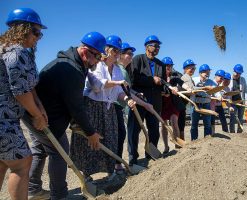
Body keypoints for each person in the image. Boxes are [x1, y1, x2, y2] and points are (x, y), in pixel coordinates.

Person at [21, 31, 106, 199]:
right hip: (43, 118)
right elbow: (76, 107)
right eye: (96, 57)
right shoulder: (72, 70)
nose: (97, 62)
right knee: (60, 154)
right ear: (84, 52)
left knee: (40, 149)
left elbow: (66, 98)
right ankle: (59, 196)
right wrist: (91, 133)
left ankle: (33, 189)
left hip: (35, 113)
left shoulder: (70, 63)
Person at [70, 35, 153, 179]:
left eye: (118, 52)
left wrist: (127, 99)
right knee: (89, 142)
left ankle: (111, 172)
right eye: (114, 51)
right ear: (106, 50)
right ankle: (86, 176)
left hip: (108, 109)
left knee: (110, 139)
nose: (117, 54)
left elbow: (119, 92)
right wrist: (117, 83)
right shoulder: (97, 64)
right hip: (92, 107)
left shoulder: (117, 70)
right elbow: (97, 86)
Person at [0, 8, 48, 200]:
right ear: (22, 29)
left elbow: (30, 86)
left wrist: (40, 108)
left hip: (7, 118)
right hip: (5, 119)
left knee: (3, 162)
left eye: (40, 33)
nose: (38, 37)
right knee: (21, 163)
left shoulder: (6, 49)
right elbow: (20, 92)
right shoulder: (16, 52)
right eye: (35, 32)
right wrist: (36, 115)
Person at [127, 35, 170, 165]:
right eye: (154, 45)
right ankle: (133, 158)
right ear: (147, 46)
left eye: (158, 46)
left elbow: (161, 82)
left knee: (154, 131)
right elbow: (133, 79)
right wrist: (152, 80)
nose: (157, 48)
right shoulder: (138, 59)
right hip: (139, 100)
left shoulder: (161, 64)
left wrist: (166, 90)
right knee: (134, 130)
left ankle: (150, 155)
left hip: (155, 102)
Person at [113, 42, 136, 174]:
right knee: (119, 134)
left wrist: (135, 94)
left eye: (132, 54)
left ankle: (117, 164)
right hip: (114, 105)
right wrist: (131, 97)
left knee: (120, 134)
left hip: (119, 105)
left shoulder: (122, 71)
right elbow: (124, 91)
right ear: (120, 55)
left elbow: (128, 90)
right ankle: (116, 165)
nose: (131, 56)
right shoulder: (120, 70)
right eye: (128, 53)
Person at [160, 57, 185, 153]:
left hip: (173, 103)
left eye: (170, 66)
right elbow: (155, 90)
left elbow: (182, 84)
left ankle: (177, 145)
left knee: (174, 123)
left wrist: (183, 88)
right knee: (164, 125)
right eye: (167, 66)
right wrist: (163, 93)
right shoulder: (159, 77)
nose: (169, 67)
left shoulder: (175, 76)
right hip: (162, 104)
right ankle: (166, 147)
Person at [190, 64, 216, 140]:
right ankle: (194, 141)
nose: (207, 73)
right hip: (195, 104)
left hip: (206, 105)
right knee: (194, 124)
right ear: (200, 73)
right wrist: (203, 87)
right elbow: (191, 88)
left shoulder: (211, 82)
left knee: (207, 124)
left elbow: (216, 90)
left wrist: (219, 96)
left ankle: (207, 142)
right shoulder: (194, 80)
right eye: (205, 72)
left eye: (208, 72)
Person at [179, 59, 197, 138]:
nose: (193, 70)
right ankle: (180, 143)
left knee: (181, 123)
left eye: (194, 69)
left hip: (184, 103)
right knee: (181, 123)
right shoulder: (186, 77)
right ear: (185, 69)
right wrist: (205, 88)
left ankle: (181, 143)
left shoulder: (189, 78)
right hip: (181, 103)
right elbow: (191, 90)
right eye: (191, 68)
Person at [229, 64, 247, 133]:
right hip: (232, 102)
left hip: (241, 102)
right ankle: (232, 132)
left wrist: (246, 100)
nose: (238, 74)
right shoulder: (229, 79)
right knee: (232, 118)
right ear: (233, 71)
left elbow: (246, 90)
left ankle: (240, 133)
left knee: (240, 118)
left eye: (239, 73)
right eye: (237, 72)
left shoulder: (243, 80)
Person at [210, 69, 228, 133]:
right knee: (212, 120)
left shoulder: (219, 85)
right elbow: (209, 95)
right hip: (212, 106)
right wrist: (217, 98)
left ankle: (226, 132)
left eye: (223, 78)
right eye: (221, 78)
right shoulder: (211, 83)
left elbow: (220, 94)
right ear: (216, 76)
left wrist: (223, 96)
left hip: (219, 105)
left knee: (223, 120)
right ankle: (212, 134)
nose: (222, 80)